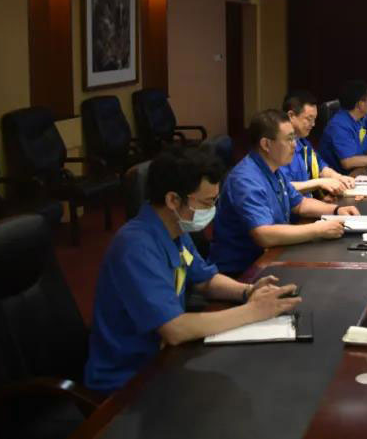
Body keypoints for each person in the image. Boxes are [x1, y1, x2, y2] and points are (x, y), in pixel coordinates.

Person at [85, 145, 301, 393]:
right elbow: (174, 329)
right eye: (207, 202)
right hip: (129, 381)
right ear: (173, 200)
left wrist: (248, 291)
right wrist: (253, 311)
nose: (213, 210)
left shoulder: (175, 229)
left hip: (167, 358)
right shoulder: (135, 247)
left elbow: (204, 279)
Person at [210, 110, 360, 276]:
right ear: (266, 144)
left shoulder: (273, 169)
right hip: (242, 270)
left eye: (294, 138)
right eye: (289, 139)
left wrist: (336, 211)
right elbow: (264, 234)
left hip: (271, 255)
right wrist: (317, 230)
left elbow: (300, 204)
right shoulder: (246, 179)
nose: (294, 145)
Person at [281, 90, 356, 197]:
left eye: (314, 119)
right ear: (291, 115)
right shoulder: (279, 148)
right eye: (309, 119)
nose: (313, 124)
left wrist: (339, 177)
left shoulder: (303, 142)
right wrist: (319, 183)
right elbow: (283, 187)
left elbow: (321, 167)